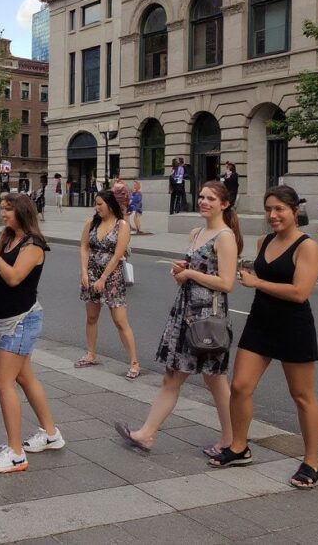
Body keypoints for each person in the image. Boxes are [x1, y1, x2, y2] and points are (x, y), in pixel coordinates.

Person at [209, 185, 318, 490]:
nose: (273, 215)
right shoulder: (264, 241)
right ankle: (238, 446)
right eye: (268, 209)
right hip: (260, 322)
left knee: (302, 395)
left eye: (279, 210)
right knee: (240, 386)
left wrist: (257, 281)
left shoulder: (306, 246)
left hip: (293, 326)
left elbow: (300, 292)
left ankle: (311, 461)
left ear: (293, 211)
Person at [115, 181, 241, 454]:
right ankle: (146, 434)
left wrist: (191, 274)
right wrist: (180, 272)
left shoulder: (225, 236)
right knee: (176, 377)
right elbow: (192, 274)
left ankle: (232, 439)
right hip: (186, 310)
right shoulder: (197, 233)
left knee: (214, 378)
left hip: (208, 315)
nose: (203, 201)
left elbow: (227, 282)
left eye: (210, 198)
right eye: (201, 196)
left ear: (225, 204)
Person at [0, 193, 63, 473]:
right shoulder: (7, 237)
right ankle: (51, 434)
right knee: (25, 377)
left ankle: (16, 454)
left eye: (8, 210)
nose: (3, 214)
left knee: (2, 381)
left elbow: (14, 277)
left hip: (22, 320)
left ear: (23, 212)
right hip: (6, 319)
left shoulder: (34, 245)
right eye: (2, 209)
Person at [76, 189, 140, 379]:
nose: (97, 208)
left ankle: (134, 363)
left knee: (120, 321)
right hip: (92, 274)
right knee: (91, 317)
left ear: (110, 205)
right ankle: (90, 353)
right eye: (96, 204)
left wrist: (104, 278)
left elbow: (118, 254)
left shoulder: (122, 225)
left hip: (112, 277)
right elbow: (84, 247)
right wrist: (84, 273)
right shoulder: (91, 222)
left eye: (100, 204)